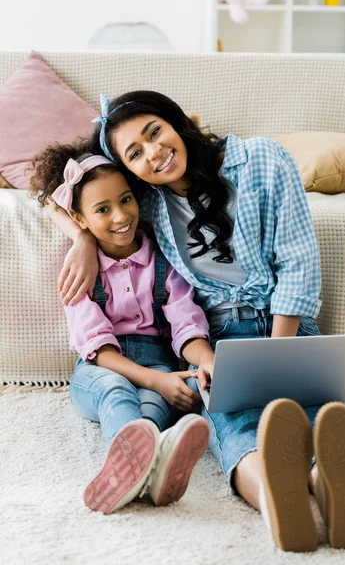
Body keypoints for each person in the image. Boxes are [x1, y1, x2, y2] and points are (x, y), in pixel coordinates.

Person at [43, 92, 345, 552]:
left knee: (316, 418)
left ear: (177, 122)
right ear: (130, 169)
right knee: (233, 427)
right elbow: (59, 195)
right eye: (134, 153)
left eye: (154, 133)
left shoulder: (262, 158)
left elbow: (299, 263)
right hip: (218, 338)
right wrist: (81, 238)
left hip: (287, 324)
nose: (153, 154)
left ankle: (326, 482)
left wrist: (276, 355)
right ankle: (282, 500)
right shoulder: (148, 201)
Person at [29, 146, 215, 515]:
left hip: (158, 362)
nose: (120, 216)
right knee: (116, 392)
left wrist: (204, 362)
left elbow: (185, 324)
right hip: (99, 370)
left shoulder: (163, 260)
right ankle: (144, 466)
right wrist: (156, 380)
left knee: (155, 405)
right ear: (79, 219)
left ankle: (144, 473)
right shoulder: (80, 271)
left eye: (125, 200)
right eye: (102, 210)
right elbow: (100, 352)